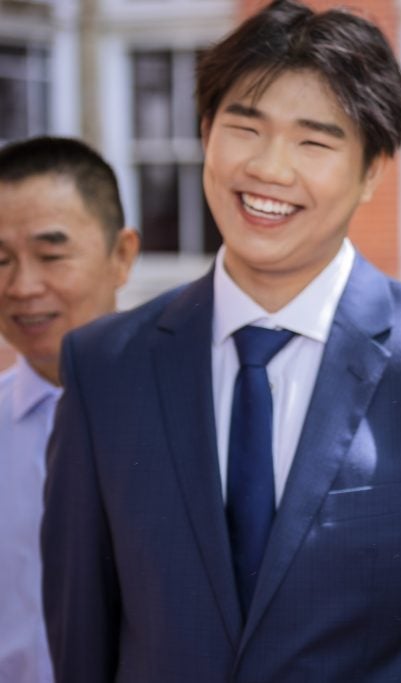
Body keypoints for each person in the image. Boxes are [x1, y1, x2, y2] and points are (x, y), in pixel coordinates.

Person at [40, 2, 401, 681]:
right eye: (244, 127)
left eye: (314, 142)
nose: (270, 169)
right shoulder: (105, 366)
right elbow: (83, 642)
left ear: (374, 169)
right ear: (205, 132)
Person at [0, 136, 139, 683]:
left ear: (122, 255)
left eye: (52, 254)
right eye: (0, 259)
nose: (22, 286)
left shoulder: (197, 422)